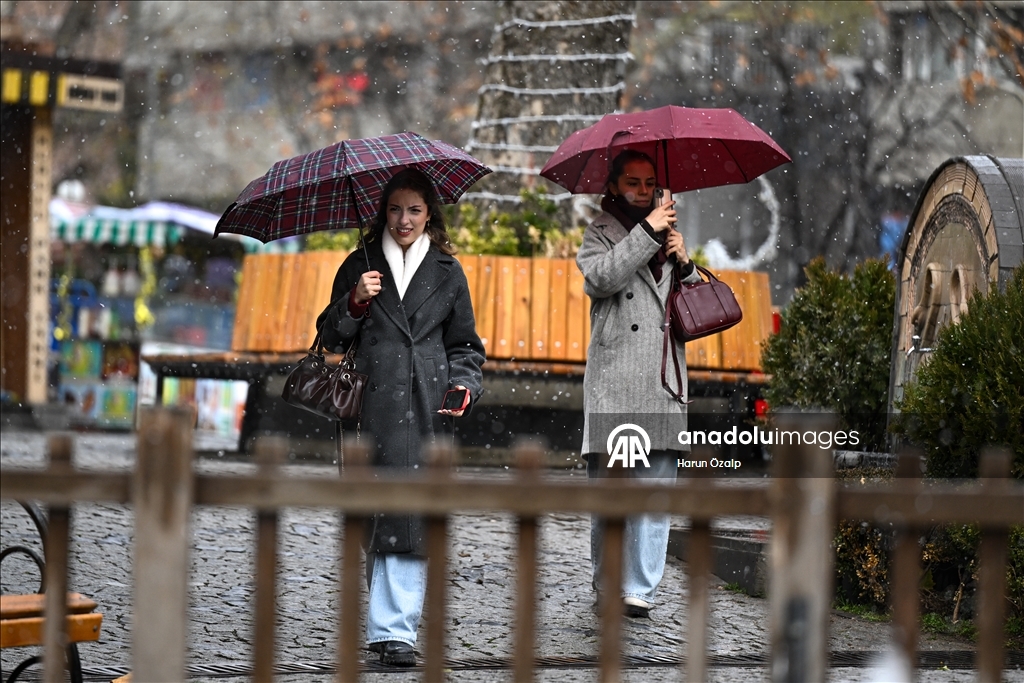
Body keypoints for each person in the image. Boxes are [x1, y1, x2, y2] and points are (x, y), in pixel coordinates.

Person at [318, 168, 485, 666]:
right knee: (381, 512)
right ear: (382, 212)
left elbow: (466, 347)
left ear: (429, 213)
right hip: (373, 403)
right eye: (395, 209)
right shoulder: (359, 265)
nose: (404, 220)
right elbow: (330, 337)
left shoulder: (448, 272)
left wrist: (463, 386)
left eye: (414, 210)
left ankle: (395, 632)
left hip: (426, 402)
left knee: (410, 515)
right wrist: (354, 301)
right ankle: (388, 628)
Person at [575, 149, 701, 619]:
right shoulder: (599, 233)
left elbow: (696, 311)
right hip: (615, 376)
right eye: (633, 182)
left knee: (655, 487)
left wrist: (685, 263)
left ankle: (639, 587)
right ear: (614, 186)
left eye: (650, 183)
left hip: (662, 376)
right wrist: (647, 233)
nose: (643, 191)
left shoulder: (671, 237)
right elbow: (602, 280)